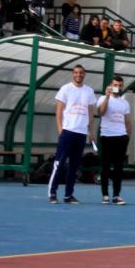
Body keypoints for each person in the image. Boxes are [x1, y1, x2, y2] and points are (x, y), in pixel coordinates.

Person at [49, 64, 95, 205]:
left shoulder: (89, 91)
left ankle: (69, 195)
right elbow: (59, 111)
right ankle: (52, 193)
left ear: (84, 74)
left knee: (74, 166)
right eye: (76, 72)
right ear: (72, 74)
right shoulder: (65, 89)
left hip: (81, 133)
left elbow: (91, 112)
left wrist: (91, 131)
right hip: (68, 132)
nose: (78, 75)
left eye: (81, 73)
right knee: (59, 163)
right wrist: (60, 129)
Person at [96, 74, 132, 205]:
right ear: (111, 86)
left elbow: (128, 121)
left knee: (118, 168)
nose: (118, 87)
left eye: (120, 85)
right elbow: (101, 112)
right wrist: (107, 96)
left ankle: (116, 195)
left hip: (121, 137)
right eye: (115, 85)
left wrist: (128, 137)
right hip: (106, 136)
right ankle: (105, 195)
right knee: (105, 167)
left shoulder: (125, 102)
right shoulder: (102, 99)